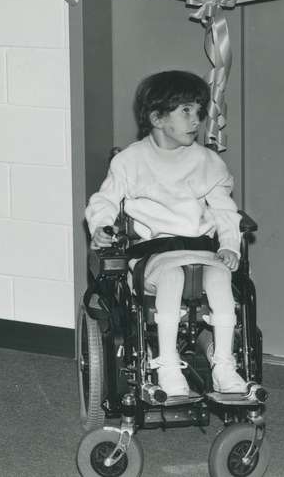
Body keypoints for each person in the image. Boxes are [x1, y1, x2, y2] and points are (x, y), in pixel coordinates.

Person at [85, 70, 244, 396]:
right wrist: (101, 227)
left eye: (198, 111)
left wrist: (230, 245)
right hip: (154, 254)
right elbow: (105, 200)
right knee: (172, 277)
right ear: (157, 118)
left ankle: (224, 365)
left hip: (200, 250)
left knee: (222, 279)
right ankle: (168, 365)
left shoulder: (206, 162)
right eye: (185, 111)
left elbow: (225, 211)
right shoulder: (131, 161)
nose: (196, 119)